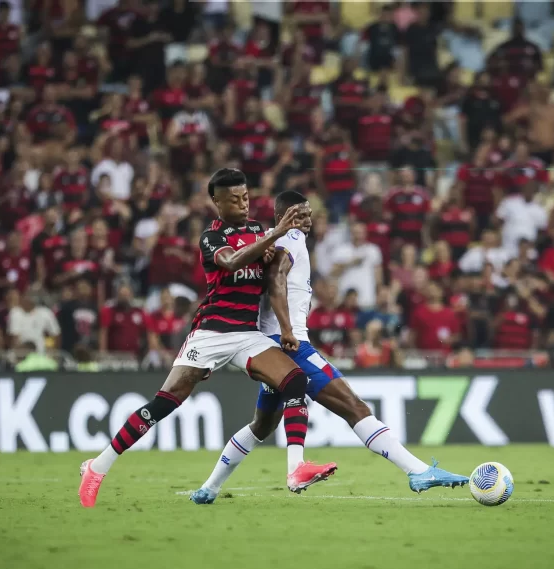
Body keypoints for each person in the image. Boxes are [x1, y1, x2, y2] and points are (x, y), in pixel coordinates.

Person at [189, 191, 469, 505]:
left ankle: (208, 489)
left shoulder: (266, 239)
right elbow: (277, 281)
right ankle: (417, 471)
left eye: (311, 213)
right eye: (304, 213)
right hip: (289, 344)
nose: (311, 219)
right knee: (356, 408)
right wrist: (286, 330)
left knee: (262, 425)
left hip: (264, 344)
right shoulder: (292, 237)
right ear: (290, 215)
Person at [78, 169, 333, 507]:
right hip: (211, 332)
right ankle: (98, 466)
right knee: (164, 403)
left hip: (246, 333)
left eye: (245, 197)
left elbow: (271, 268)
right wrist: (278, 234)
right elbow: (233, 261)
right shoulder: (211, 238)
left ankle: (295, 467)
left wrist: (280, 258)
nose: (243, 204)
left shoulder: (259, 230)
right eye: (234, 199)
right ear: (217, 202)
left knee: (295, 379)